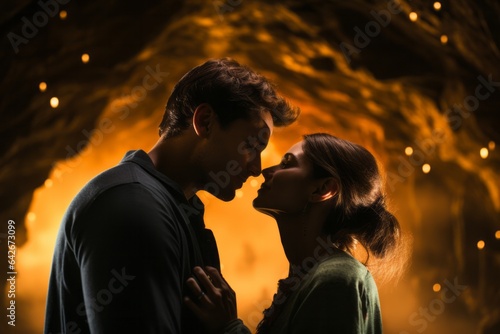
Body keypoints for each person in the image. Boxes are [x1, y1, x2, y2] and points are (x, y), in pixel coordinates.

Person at [44, 58, 299, 334]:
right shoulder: (133, 207)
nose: (256, 168)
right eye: (252, 144)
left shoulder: (164, 205)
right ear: (205, 122)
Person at [185, 133, 408, 333]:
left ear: (323, 189)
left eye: (286, 164)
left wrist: (228, 327)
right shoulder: (309, 276)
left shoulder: (336, 280)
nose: (265, 171)